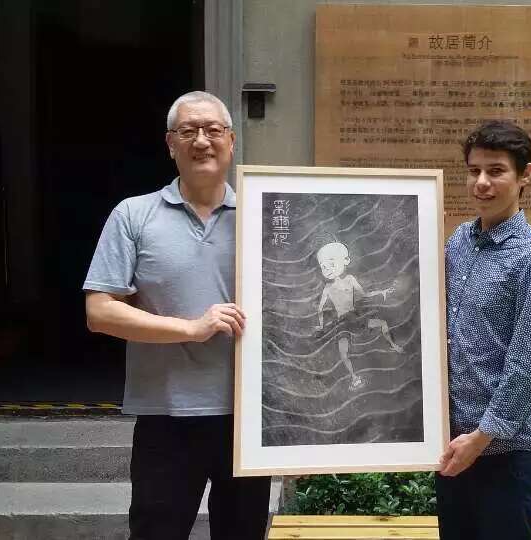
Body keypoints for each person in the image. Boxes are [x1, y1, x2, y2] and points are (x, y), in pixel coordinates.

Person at [83, 91, 270, 540]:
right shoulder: (134, 215)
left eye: (212, 130)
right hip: (166, 418)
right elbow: (99, 311)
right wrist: (191, 327)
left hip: (246, 421)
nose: (201, 140)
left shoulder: (266, 215)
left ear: (231, 139)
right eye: (188, 131)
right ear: (171, 144)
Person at [436, 120, 531, 540]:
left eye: (496, 171)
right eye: (474, 171)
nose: (482, 183)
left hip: (504, 454)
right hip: (453, 447)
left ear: (526, 175)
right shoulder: (458, 242)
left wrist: (482, 437)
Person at [313, 241, 403, 390]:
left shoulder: (350, 279)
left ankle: (393, 345)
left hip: (354, 318)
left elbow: (364, 294)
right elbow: (320, 309)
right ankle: (354, 378)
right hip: (342, 322)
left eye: (330, 263)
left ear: (346, 261)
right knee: (344, 352)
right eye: (323, 266)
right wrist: (321, 325)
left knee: (381, 324)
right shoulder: (328, 288)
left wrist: (382, 292)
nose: (327, 269)